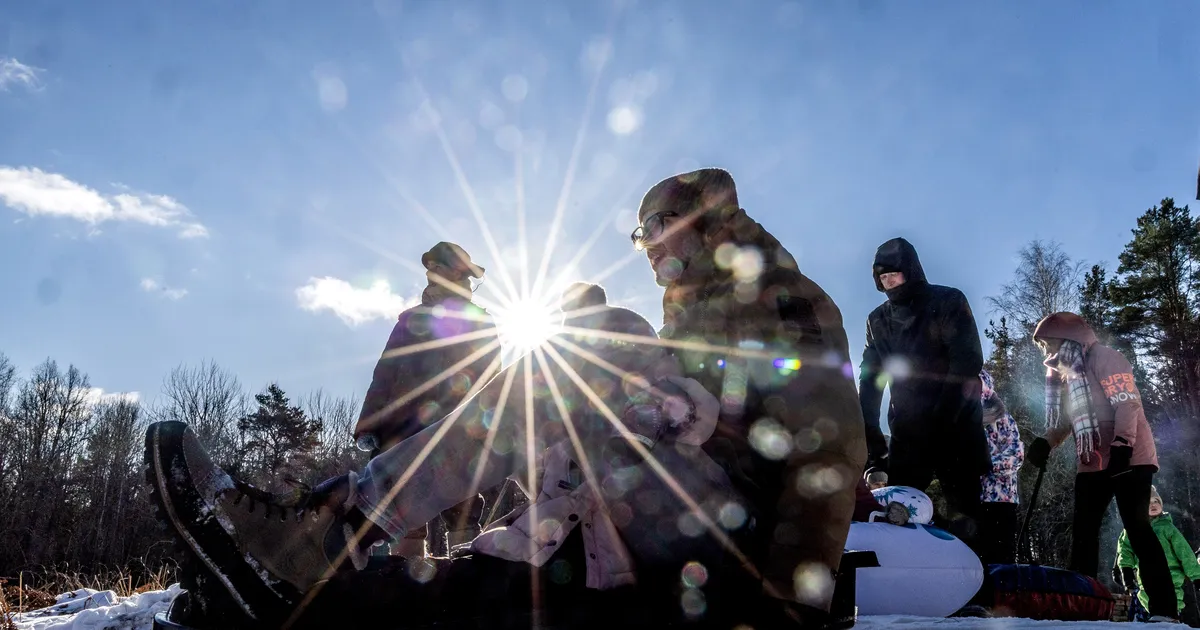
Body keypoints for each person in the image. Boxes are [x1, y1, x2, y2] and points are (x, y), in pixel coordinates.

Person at [148, 300, 728, 628]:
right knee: (364, 592)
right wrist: (376, 426)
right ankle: (242, 591)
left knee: (397, 588)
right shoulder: (423, 318)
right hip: (530, 573)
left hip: (620, 601)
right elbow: (398, 377)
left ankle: (314, 544)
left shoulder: (676, 418)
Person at [633, 167, 867, 626]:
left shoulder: (777, 295)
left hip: (745, 539)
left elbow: (832, 446)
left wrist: (792, 597)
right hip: (679, 510)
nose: (647, 245)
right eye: (640, 235)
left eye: (657, 226)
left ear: (701, 219)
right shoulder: (686, 319)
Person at [1025, 311, 1179, 622]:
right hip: (1093, 458)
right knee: (1084, 531)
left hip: (1129, 456)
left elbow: (1126, 403)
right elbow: (1069, 419)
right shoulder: (1066, 372)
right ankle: (1082, 605)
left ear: (1067, 336)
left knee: (1138, 530)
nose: (1045, 350)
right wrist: (1047, 442)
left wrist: (1122, 444)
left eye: (1048, 342)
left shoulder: (1106, 357)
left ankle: (1165, 610)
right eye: (1042, 345)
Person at [352, 242, 499, 558]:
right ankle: (406, 588)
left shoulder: (479, 321)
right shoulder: (410, 319)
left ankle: (470, 581)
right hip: (402, 424)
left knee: (463, 504)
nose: (432, 273)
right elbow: (385, 371)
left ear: (458, 273)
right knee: (402, 507)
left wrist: (484, 424)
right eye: (431, 267)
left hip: (456, 425)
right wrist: (368, 421)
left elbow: (491, 377)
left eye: (440, 266)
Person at [857, 237, 991, 546]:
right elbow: (870, 378)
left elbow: (966, 361)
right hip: (908, 435)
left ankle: (975, 585)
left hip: (955, 429)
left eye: (894, 274)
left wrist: (943, 417)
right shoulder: (877, 320)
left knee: (966, 518)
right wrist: (871, 434)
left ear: (911, 271)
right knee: (899, 516)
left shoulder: (947, 301)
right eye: (882, 277)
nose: (889, 282)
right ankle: (905, 583)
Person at [1114, 486, 1200, 626]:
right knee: (1146, 599)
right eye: (1148, 502)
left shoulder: (1168, 528)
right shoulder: (1133, 529)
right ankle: (1150, 620)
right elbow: (1124, 551)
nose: (1153, 504)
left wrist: (1196, 576)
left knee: (1170, 600)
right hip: (1145, 576)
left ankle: (1172, 619)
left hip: (1171, 574)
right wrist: (1126, 570)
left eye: (1156, 501)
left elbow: (1185, 554)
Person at [978, 369, 1023, 566]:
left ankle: (1003, 596)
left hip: (1002, 500)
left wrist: (985, 465)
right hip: (972, 499)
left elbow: (1016, 455)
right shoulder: (959, 420)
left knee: (1002, 559)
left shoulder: (1003, 419)